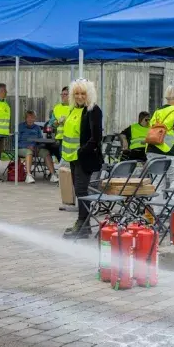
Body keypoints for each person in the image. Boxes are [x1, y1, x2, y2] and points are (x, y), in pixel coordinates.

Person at [62, 79, 104, 239]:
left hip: (85, 158)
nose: (79, 96)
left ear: (89, 94)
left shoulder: (93, 110)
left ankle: (82, 223)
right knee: (79, 191)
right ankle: (83, 225)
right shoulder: (73, 110)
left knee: (81, 191)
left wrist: (81, 152)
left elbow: (96, 138)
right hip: (72, 158)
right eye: (76, 93)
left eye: (83, 93)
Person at [18, 110, 56, 183]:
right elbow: (16, 142)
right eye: (28, 117)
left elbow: (41, 140)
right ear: (25, 118)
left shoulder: (37, 128)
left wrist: (39, 147)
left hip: (35, 148)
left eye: (32, 118)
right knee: (29, 152)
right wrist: (27, 146)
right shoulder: (20, 127)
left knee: (46, 152)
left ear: (35, 119)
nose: (30, 119)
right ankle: (28, 175)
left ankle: (53, 175)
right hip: (22, 148)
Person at [46, 87, 70, 167]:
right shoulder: (57, 108)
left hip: (72, 139)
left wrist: (66, 121)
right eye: (62, 94)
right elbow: (51, 124)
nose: (63, 96)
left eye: (65, 94)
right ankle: (64, 177)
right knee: (63, 160)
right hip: (61, 139)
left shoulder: (74, 107)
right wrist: (57, 122)